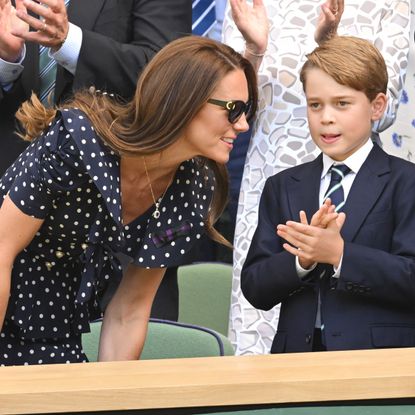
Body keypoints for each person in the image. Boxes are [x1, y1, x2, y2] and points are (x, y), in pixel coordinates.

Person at [0, 35, 258, 366]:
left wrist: (112, 400)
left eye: (247, 110)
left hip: (55, 334)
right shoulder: (79, 141)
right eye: (234, 110)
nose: (243, 124)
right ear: (183, 100)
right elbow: (3, 252)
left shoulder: (193, 188)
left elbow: (130, 309)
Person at [223, 0, 411, 355]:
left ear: (377, 106)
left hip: (380, 368)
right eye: (315, 105)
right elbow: (255, 286)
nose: (326, 118)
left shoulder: (405, 183)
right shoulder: (282, 185)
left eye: (342, 104)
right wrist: (301, 261)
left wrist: (340, 255)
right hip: (296, 363)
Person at [0, 0, 191, 175]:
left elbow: (166, 74)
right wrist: (8, 62)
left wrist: (70, 41)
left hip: (105, 182)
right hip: (9, 176)